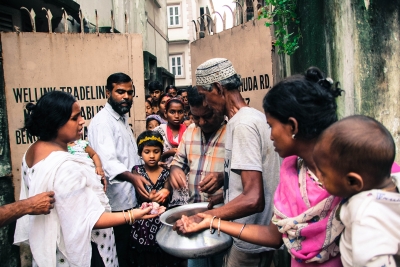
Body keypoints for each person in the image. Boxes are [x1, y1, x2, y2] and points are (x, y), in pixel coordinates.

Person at [181, 66, 345, 267]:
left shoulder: (345, 178)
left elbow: (253, 198)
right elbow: (274, 235)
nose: (270, 135)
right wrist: (212, 218)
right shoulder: (291, 172)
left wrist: (207, 217)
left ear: (292, 126)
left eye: (272, 126)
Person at [14, 91, 163, 267]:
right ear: (56, 123)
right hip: (78, 251)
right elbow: (90, 220)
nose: (82, 121)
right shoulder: (65, 166)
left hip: (51, 248)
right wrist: (133, 215)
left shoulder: (32, 151)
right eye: (75, 118)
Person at [175, 58, 281, 267]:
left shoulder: (243, 124)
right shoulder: (250, 118)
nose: (205, 104)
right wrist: (226, 193)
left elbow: (253, 199)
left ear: (217, 88)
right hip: (249, 237)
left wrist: (204, 217)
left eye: (205, 96)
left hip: (250, 244)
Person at [313, 115, 400, 267]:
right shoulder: (394, 183)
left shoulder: (364, 214)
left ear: (353, 181)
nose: (319, 177)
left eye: (324, 174)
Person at [88, 72, 152, 267]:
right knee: (120, 256)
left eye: (130, 92)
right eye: (120, 92)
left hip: (130, 201)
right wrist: (133, 178)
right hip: (115, 206)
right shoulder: (102, 122)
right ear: (108, 92)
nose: (126, 97)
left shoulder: (122, 119)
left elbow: (129, 157)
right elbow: (107, 163)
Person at [169, 85, 227, 267]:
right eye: (196, 117)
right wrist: (175, 170)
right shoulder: (190, 131)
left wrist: (223, 177)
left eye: (207, 116)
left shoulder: (233, 132)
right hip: (195, 218)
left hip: (223, 222)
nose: (202, 122)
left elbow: (246, 177)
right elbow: (178, 162)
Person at [130, 130, 183, 266]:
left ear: (161, 152)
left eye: (156, 151)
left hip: (163, 223)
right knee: (146, 260)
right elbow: (141, 193)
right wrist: (149, 197)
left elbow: (167, 190)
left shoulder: (167, 172)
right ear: (140, 153)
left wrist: (163, 194)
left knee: (165, 259)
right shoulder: (137, 171)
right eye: (147, 152)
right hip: (144, 224)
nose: (152, 156)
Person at [153, 98, 186, 168]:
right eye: (172, 112)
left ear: (184, 113)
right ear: (165, 113)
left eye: (180, 112)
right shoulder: (158, 131)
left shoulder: (188, 132)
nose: (177, 116)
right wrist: (167, 153)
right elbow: (151, 155)